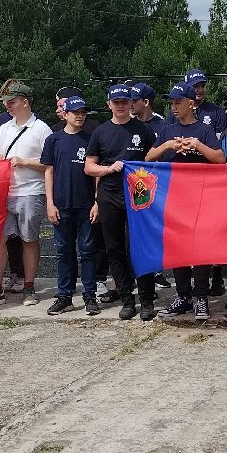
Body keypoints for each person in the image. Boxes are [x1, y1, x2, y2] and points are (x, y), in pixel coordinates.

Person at [149, 83, 227, 321]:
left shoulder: (203, 130)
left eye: (178, 102)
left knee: (199, 247)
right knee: (177, 247)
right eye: (171, 103)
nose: (173, 107)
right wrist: (167, 146)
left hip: (200, 198)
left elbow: (220, 160)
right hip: (173, 199)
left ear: (190, 103)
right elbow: (148, 158)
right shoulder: (167, 130)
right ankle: (183, 296)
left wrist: (197, 146)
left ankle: (201, 296)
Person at [85, 84, 157, 320]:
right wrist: (108, 169)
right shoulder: (100, 132)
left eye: (125, 102)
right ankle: (127, 299)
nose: (122, 106)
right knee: (114, 248)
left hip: (138, 194)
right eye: (117, 102)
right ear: (109, 105)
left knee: (139, 247)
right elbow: (89, 167)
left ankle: (147, 299)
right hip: (110, 194)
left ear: (131, 103)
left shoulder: (143, 129)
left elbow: (153, 159)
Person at [0, 81, 51, 305]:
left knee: (29, 239)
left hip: (31, 191)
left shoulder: (41, 129)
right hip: (6, 191)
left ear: (25, 101)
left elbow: (49, 164)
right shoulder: (4, 128)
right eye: (6, 103)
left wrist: (25, 162)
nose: (7, 107)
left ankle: (29, 287)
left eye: (11, 102)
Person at [41, 98, 98, 316]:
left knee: (87, 251)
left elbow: (96, 173)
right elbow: (49, 172)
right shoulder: (54, 140)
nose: (80, 116)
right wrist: (50, 203)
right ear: (65, 114)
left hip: (85, 206)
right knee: (63, 252)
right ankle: (64, 296)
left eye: (83, 112)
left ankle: (90, 295)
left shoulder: (91, 138)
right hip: (62, 205)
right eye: (75, 112)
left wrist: (96, 202)